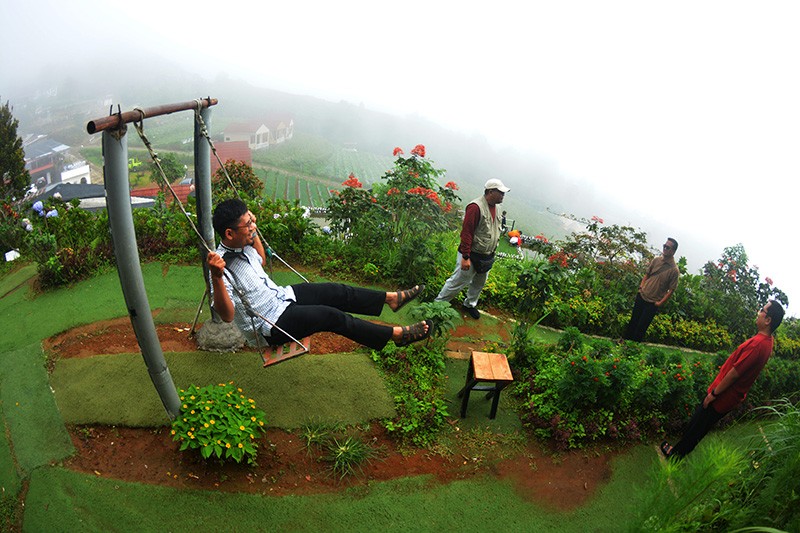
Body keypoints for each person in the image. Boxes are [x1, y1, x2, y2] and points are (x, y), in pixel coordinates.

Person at [206, 199, 430, 350]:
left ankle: (390, 299)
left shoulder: (243, 245)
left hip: (281, 297)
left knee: (336, 291)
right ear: (229, 233)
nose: (253, 225)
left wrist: (252, 231)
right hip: (270, 325)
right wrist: (217, 276)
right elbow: (227, 315)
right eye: (248, 223)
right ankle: (397, 335)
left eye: (251, 219)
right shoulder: (221, 267)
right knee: (331, 316)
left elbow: (261, 261)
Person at [661, 300, 785, 460]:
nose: (759, 312)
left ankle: (675, 455)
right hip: (728, 395)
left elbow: (735, 373)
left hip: (723, 395)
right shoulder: (767, 342)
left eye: (762, 310)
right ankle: (679, 452)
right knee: (699, 425)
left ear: (768, 320)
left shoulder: (758, 344)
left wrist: (714, 394)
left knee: (698, 426)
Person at [434, 178, 509, 319]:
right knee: (458, 281)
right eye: (500, 193)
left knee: (479, 283)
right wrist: (465, 257)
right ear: (490, 192)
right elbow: (467, 233)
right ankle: (438, 305)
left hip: (486, 255)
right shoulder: (475, 207)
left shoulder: (497, 208)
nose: (503, 196)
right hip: (471, 254)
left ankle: (469, 304)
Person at [622, 238, 680, 342]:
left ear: (673, 251)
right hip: (642, 295)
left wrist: (660, 303)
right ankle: (624, 342)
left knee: (641, 327)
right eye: (664, 246)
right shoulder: (656, 260)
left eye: (668, 247)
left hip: (653, 302)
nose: (665, 249)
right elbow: (647, 274)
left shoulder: (674, 270)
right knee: (633, 321)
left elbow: (671, 290)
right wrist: (641, 287)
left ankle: (632, 349)